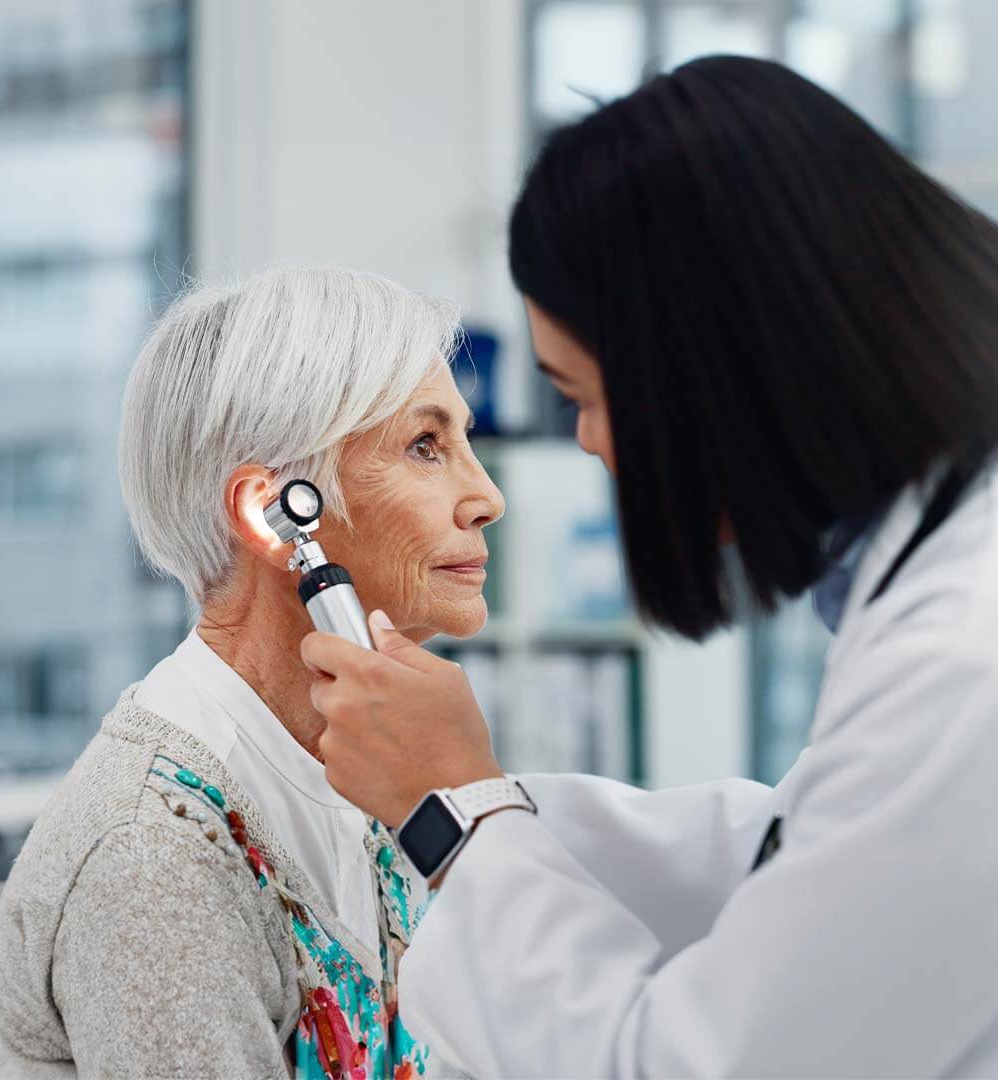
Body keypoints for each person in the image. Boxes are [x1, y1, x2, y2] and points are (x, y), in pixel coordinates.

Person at [301, 57, 998, 1077]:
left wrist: (457, 816)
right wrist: (475, 795)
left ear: (714, 369)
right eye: (422, 445)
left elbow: (684, 1064)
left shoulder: (961, 668)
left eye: (585, 394)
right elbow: (798, 859)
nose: (587, 446)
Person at [0, 266, 504, 1078]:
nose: (486, 496)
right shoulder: (152, 857)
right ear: (271, 514)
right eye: (426, 446)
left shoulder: (372, 770)